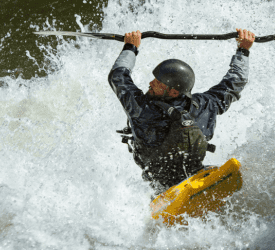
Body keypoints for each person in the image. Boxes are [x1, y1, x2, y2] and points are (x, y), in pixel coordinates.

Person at [108, 28, 255, 195]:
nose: (151, 83)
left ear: (173, 92)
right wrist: (243, 50)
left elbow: (118, 76)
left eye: (158, 83)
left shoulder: (142, 109)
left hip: (161, 188)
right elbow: (235, 82)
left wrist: (130, 48)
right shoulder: (205, 105)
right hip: (195, 175)